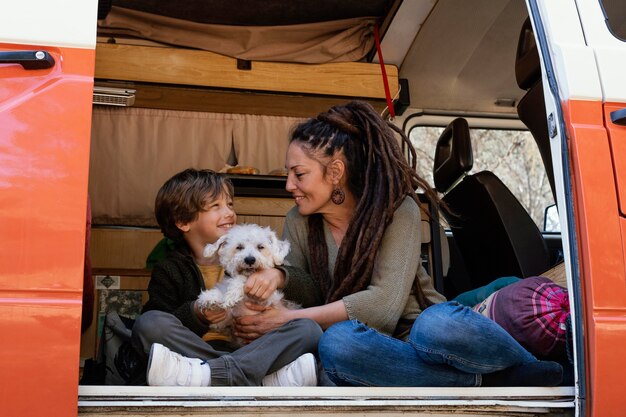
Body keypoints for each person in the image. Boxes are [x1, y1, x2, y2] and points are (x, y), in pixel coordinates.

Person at [232, 101, 564, 387]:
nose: (289, 184)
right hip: (374, 350)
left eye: (299, 174)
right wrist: (280, 277)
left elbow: (383, 307)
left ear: (335, 172)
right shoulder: (298, 221)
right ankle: (495, 382)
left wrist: (287, 319)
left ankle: (533, 368)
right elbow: (303, 293)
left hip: (420, 335)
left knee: (436, 325)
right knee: (337, 343)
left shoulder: (396, 209)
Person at [132, 168, 322, 387]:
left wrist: (280, 275)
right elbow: (158, 320)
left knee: (309, 329)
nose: (229, 212)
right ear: (183, 221)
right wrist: (197, 314)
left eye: (230, 204)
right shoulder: (170, 269)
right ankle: (251, 375)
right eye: (216, 206)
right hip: (196, 350)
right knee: (149, 323)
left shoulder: (258, 258)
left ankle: (205, 376)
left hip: (256, 348)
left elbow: (312, 294)